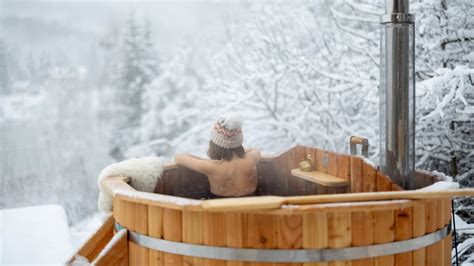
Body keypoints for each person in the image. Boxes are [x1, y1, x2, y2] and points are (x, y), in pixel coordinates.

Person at [175, 113, 260, 197]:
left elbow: (178, 157)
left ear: (215, 144)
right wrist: (236, 151)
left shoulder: (212, 167)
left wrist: (204, 161)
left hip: (221, 209)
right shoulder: (252, 159)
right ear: (239, 142)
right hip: (251, 208)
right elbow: (254, 150)